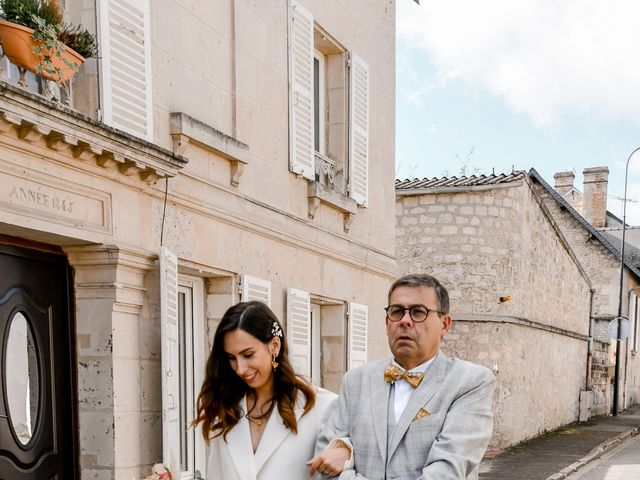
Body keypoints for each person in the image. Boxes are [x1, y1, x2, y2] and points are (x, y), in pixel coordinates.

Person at [315, 274, 496, 479]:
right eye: (397, 311)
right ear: (386, 322)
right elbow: (324, 462)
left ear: (445, 324)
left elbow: (446, 472)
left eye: (419, 312)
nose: (405, 321)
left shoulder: (470, 382)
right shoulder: (355, 381)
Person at [194, 301, 350, 480]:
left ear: (275, 346)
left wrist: (346, 453)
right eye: (231, 358)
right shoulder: (224, 409)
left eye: (248, 355)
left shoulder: (322, 407)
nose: (240, 369)